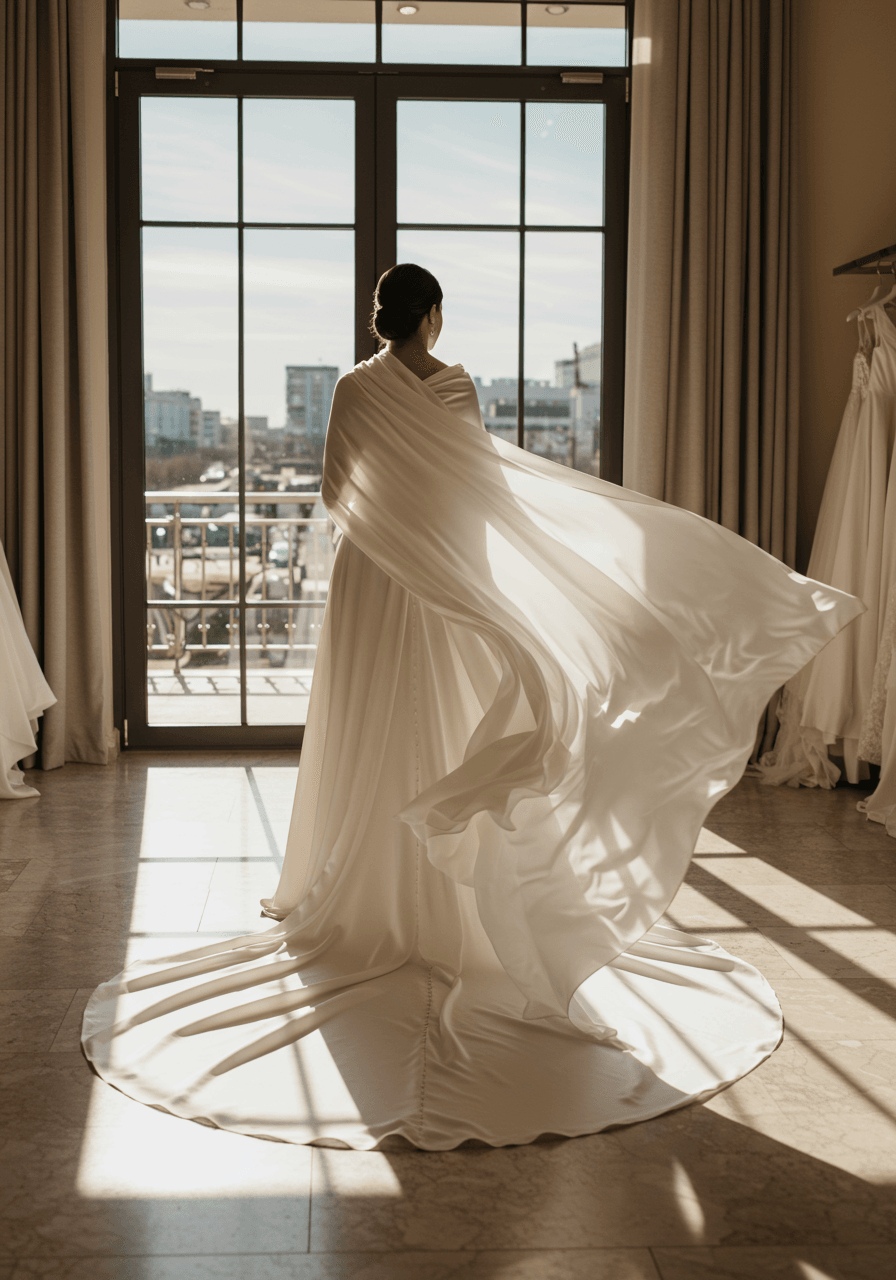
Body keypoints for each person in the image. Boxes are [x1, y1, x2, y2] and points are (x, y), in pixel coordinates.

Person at [82, 265, 862, 1151]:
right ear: (434, 317)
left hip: (376, 580)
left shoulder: (354, 388)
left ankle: (361, 886)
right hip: (449, 578)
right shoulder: (455, 388)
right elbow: (478, 498)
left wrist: (396, 535)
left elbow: (337, 491)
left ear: (383, 320)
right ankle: (456, 903)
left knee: (377, 727)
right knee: (451, 721)